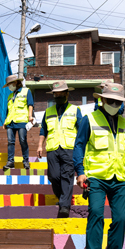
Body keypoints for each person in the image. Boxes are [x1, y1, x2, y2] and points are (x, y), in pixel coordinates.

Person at [74, 82, 125, 249]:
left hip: (120, 178)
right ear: (102, 100)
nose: (114, 104)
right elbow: (79, 146)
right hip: (96, 177)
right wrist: (80, 171)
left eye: (118, 101)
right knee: (96, 214)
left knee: (120, 219)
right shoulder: (89, 120)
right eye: (111, 100)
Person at [37, 81, 82, 218]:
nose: (58, 95)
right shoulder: (48, 111)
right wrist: (40, 145)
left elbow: (81, 131)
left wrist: (82, 149)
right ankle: (62, 196)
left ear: (67, 94)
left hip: (69, 148)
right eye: (56, 93)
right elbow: (43, 129)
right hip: (52, 148)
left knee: (67, 176)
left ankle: (64, 206)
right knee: (54, 176)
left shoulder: (75, 110)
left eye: (61, 93)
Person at [3, 74, 34, 170]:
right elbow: (8, 110)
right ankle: (10, 161)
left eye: (10, 84)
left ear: (16, 82)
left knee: (22, 140)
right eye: (8, 85)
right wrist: (5, 122)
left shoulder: (26, 91)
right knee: (10, 142)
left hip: (22, 121)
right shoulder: (10, 96)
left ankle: (25, 161)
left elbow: (30, 104)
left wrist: (30, 116)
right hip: (10, 122)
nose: (9, 86)